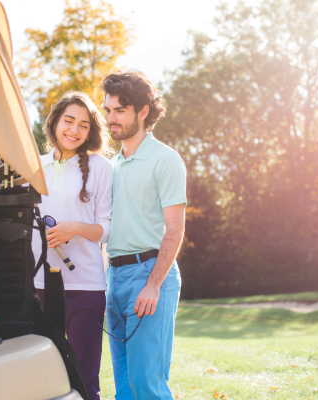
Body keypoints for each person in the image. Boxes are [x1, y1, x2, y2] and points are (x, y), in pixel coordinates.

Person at [0, 91, 113, 400]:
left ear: (90, 132)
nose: (74, 130)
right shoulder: (33, 165)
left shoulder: (101, 167)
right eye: (69, 121)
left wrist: (74, 229)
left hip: (86, 285)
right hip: (39, 283)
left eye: (83, 125)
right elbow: (6, 210)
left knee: (84, 377)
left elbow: (106, 228)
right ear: (54, 122)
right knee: (41, 376)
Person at [102, 70, 186, 400]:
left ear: (143, 111)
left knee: (147, 386)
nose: (111, 118)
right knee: (124, 388)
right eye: (108, 110)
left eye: (120, 111)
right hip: (115, 278)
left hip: (149, 275)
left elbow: (175, 228)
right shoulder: (111, 165)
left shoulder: (165, 160)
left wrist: (153, 284)